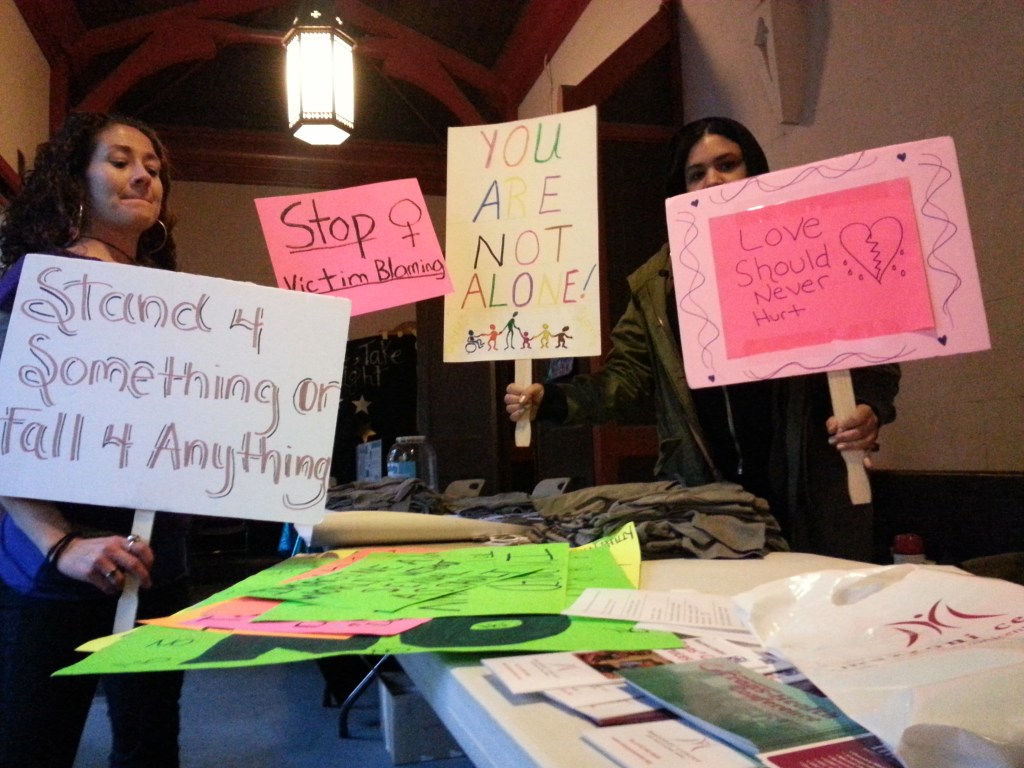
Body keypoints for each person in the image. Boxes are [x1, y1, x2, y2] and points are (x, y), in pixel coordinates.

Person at [504, 116, 900, 562]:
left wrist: (869, 407)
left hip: (809, 488)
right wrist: (551, 400)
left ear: (754, 171)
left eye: (727, 164)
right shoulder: (656, 285)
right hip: (707, 501)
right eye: (697, 174)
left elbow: (869, 348)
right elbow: (627, 379)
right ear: (681, 190)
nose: (713, 181)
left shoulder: (807, 247)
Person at [0, 112, 191, 768]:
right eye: (119, 160)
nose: (143, 174)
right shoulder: (40, 286)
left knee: (149, 745)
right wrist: (61, 546)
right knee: (32, 746)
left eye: (154, 166)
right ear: (77, 181)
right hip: (53, 572)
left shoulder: (180, 307)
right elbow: (6, 429)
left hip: (157, 565)